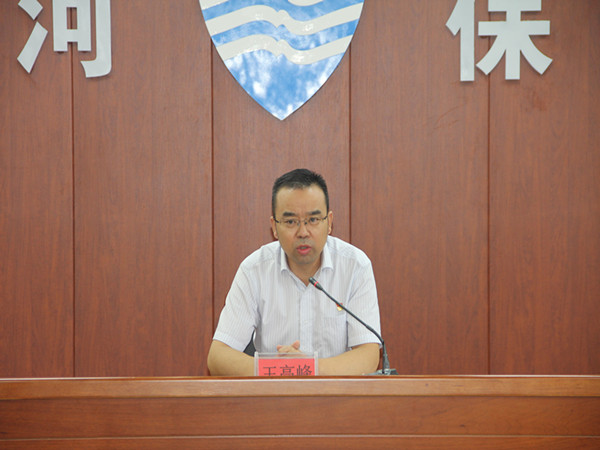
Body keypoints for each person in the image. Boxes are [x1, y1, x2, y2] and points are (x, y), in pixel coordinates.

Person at [207, 168, 381, 376]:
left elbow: (368, 356)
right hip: (273, 395)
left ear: (329, 222)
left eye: (313, 220)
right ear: (274, 226)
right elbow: (218, 356)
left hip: (335, 395)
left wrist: (307, 368)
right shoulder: (254, 270)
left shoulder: (355, 266)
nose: (303, 232)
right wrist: (280, 369)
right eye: (290, 222)